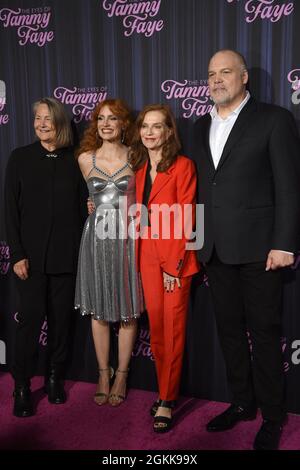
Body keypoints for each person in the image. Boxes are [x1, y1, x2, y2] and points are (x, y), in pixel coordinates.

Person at [193, 49, 300, 450]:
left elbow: (289, 187)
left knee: (266, 334)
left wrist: (284, 244)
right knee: (230, 333)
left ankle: (273, 416)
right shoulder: (198, 125)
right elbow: (202, 190)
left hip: (261, 252)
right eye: (210, 74)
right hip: (215, 250)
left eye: (225, 72)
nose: (216, 80)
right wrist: (196, 242)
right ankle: (241, 403)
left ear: (244, 78)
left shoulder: (274, 119)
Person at [4, 97, 88, 417]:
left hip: (66, 260)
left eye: (48, 119)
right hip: (31, 261)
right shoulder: (20, 158)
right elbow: (10, 210)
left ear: (60, 123)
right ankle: (22, 385)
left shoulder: (74, 160)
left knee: (61, 324)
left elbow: (83, 209)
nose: (41, 124)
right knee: (28, 325)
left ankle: (55, 378)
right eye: (37, 118)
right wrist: (17, 254)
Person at [130, 104, 199, 432]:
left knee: (172, 331)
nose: (150, 132)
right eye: (146, 125)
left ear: (169, 131)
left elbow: (188, 217)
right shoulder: (140, 169)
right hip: (146, 258)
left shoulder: (183, 166)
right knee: (157, 330)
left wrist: (175, 265)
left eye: (157, 126)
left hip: (174, 262)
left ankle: (168, 400)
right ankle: (163, 390)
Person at [75, 99, 143, 407]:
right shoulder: (85, 158)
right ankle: (104, 373)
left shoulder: (137, 156)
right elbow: (87, 198)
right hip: (97, 241)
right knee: (99, 311)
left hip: (128, 240)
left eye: (112, 118)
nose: (105, 123)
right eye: (100, 118)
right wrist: (90, 206)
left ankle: (123, 374)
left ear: (123, 124)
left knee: (128, 309)